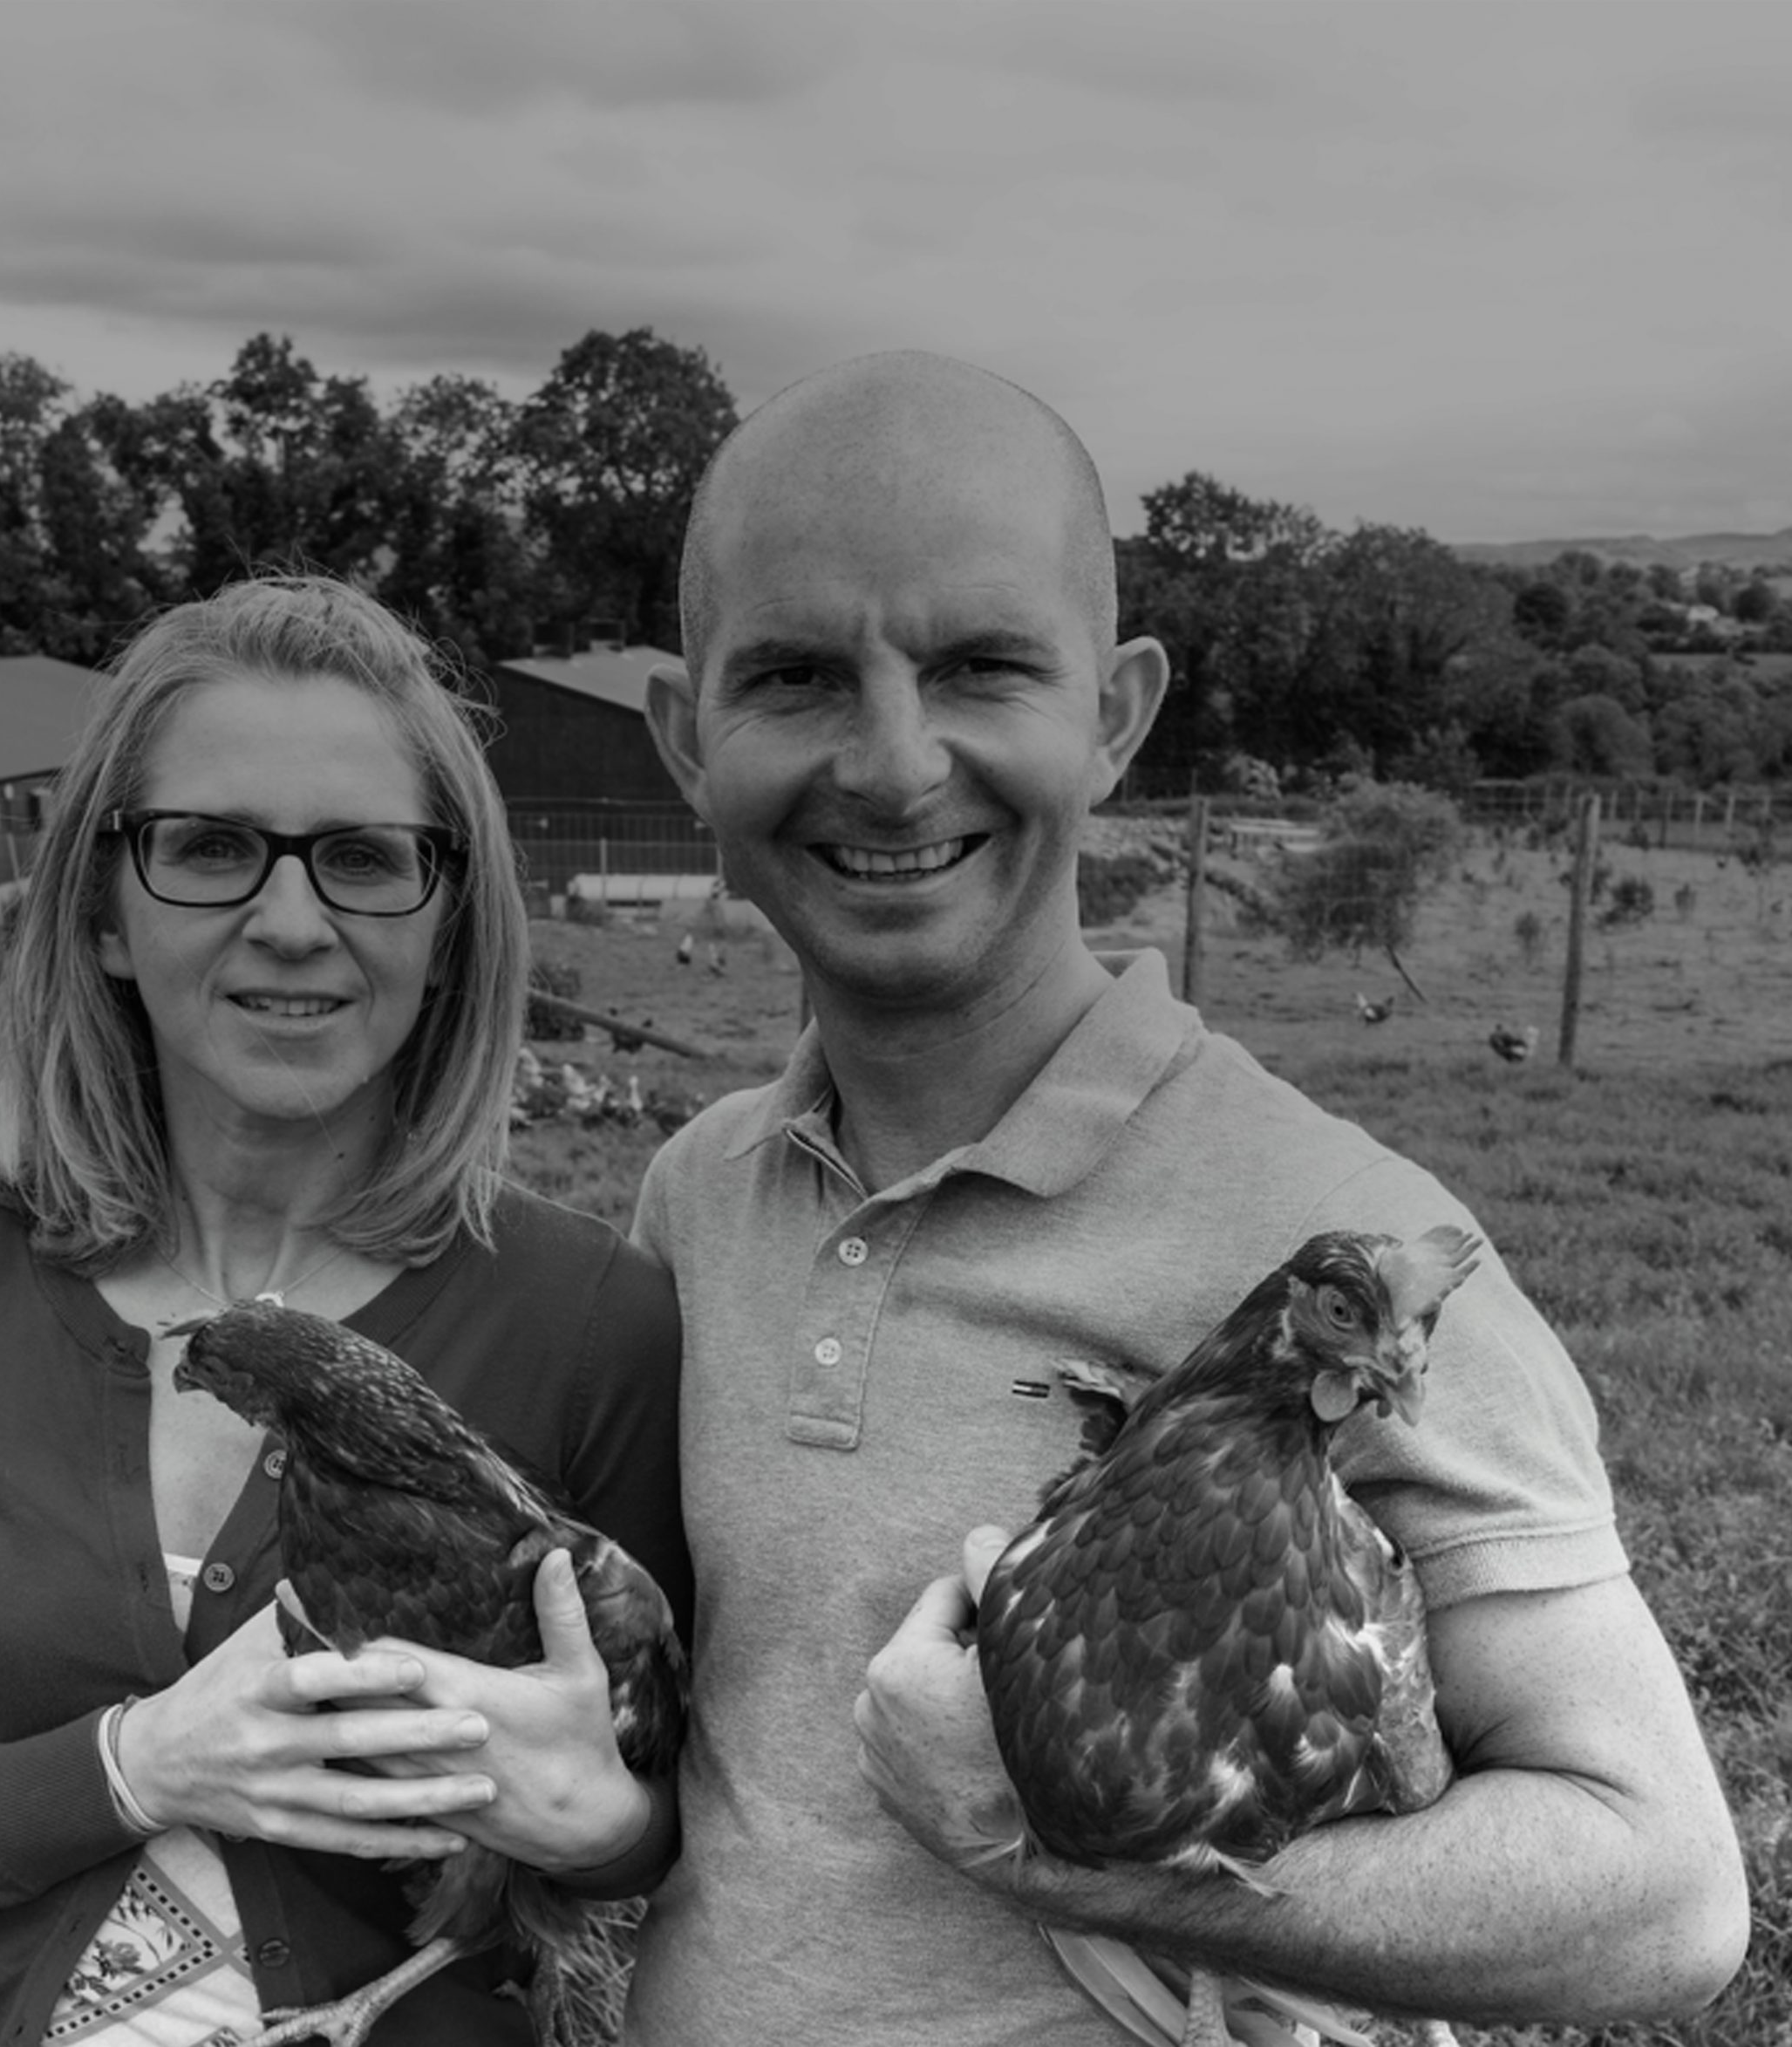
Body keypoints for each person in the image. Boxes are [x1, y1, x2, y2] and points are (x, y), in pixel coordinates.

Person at [623, 351, 1748, 2045]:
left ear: (1114, 712)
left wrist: (1053, 1856)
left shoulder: (1338, 1240)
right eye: (791, 677)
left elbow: (1656, 1888)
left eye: (979, 665)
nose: (891, 759)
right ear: (680, 738)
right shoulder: (695, 1197)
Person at [0, 575, 691, 2047]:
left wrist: (604, 1825)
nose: (290, 921)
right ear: (104, 910)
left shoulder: (593, 1318)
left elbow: (672, 1820)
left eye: (364, 859)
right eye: (212, 849)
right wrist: (136, 1766)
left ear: (448, 933)